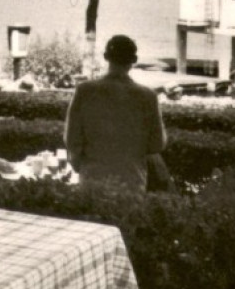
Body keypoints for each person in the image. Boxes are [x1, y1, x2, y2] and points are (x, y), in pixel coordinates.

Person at [64, 34, 167, 194]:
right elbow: (157, 144)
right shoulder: (148, 96)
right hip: (132, 182)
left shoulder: (84, 91)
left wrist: (79, 167)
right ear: (134, 59)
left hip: (92, 180)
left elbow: (72, 140)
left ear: (106, 57)